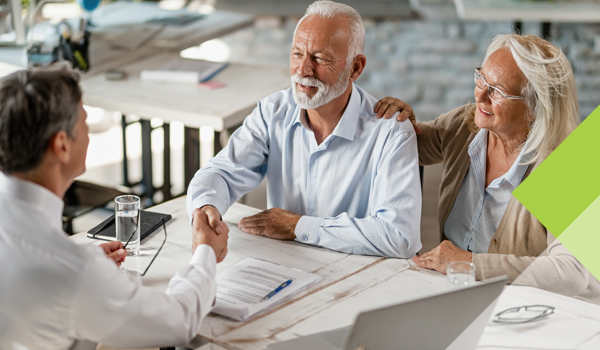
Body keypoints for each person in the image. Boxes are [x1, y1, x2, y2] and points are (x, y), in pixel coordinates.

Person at [0, 65, 229, 349]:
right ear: (61, 145)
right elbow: (177, 322)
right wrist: (205, 251)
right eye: (84, 123)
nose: (88, 135)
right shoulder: (70, 268)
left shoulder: (59, 259)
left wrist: (88, 270)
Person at [187, 0, 422, 259]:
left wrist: (297, 226)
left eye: (320, 58)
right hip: (284, 266)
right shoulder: (273, 111)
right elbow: (221, 172)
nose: (303, 70)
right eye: (297, 54)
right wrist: (206, 208)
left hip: (357, 277)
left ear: (355, 68)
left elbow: (400, 237)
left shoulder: (391, 132)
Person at [375, 34, 600, 304]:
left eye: (498, 91)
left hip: (556, 315)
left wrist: (470, 263)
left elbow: (571, 274)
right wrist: (397, 122)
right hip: (466, 299)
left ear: (534, 108)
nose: (480, 95)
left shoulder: (569, 165)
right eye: (481, 78)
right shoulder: (465, 124)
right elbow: (405, 148)